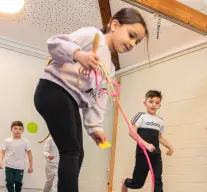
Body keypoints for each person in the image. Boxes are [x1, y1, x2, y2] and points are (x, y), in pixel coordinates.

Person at [33, 8, 149, 192]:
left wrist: (95, 128)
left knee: (78, 153)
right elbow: (55, 43)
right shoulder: (93, 36)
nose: (133, 43)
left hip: (70, 100)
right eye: (132, 35)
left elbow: (96, 100)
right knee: (71, 150)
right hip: (53, 89)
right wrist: (78, 54)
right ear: (115, 24)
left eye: (137, 41)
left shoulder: (109, 68)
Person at [121, 90, 174, 192]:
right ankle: (125, 182)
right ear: (145, 103)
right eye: (151, 101)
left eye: (157, 103)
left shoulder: (160, 121)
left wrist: (170, 147)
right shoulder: (141, 116)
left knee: (157, 182)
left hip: (156, 154)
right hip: (143, 153)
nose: (153, 105)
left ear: (159, 105)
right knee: (138, 184)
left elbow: (160, 137)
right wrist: (146, 144)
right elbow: (132, 133)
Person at [0, 121, 33, 192]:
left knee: (18, 182)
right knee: (9, 182)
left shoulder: (25, 142)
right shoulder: (7, 141)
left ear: (22, 130)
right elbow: (2, 152)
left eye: (20, 129)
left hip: (20, 166)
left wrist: (30, 166)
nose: (18, 130)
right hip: (9, 166)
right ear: (11, 129)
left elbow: (30, 154)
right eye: (15, 128)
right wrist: (0, 162)